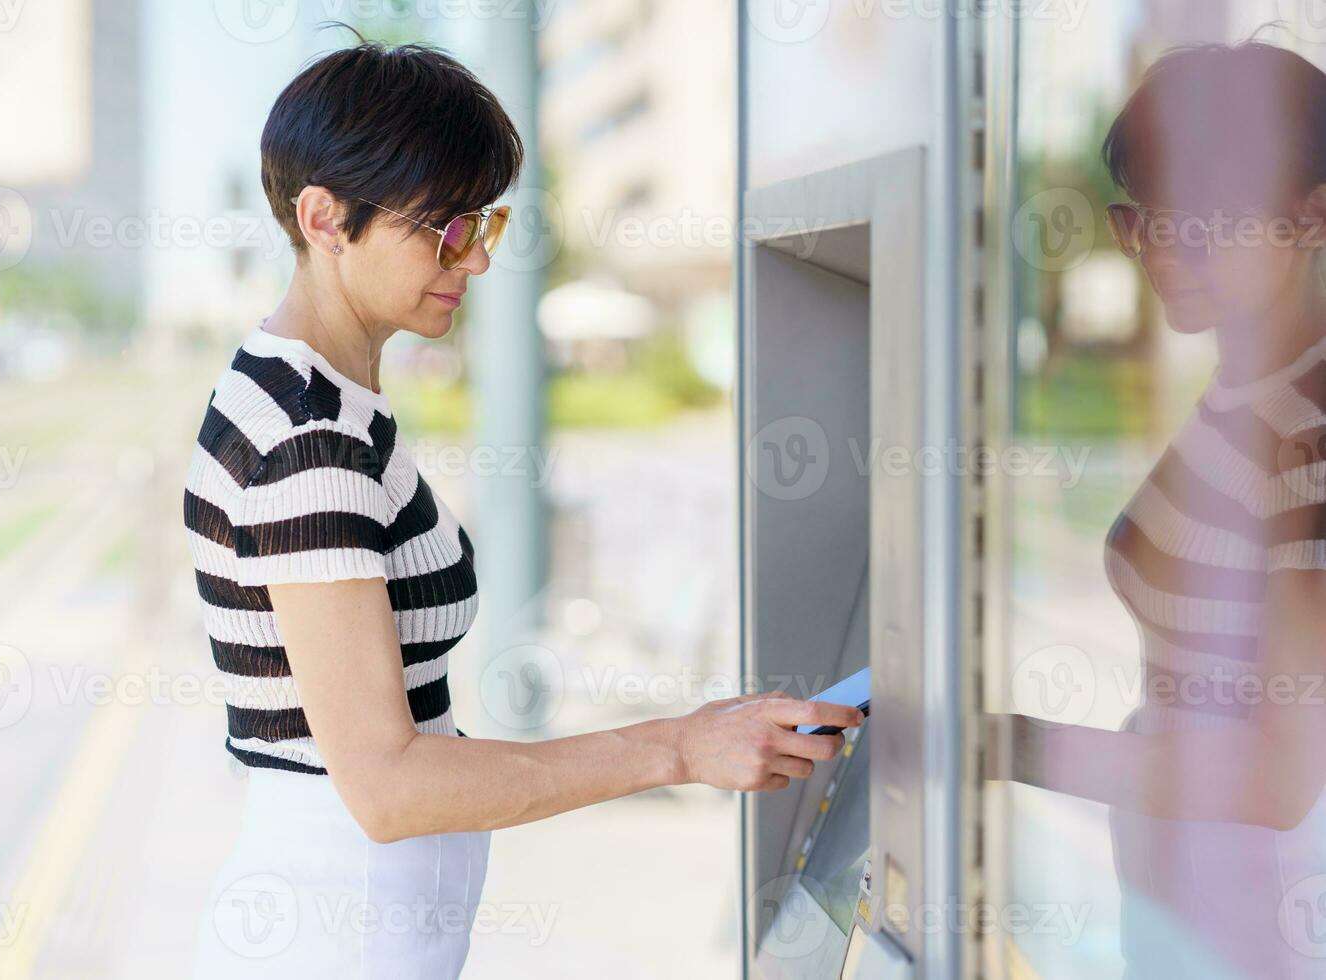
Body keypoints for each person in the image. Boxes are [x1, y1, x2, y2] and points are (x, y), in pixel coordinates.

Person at [180, 30, 863, 978]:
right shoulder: (307, 442)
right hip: (335, 939)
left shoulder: (312, 397)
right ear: (325, 217)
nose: (474, 260)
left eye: (482, 226)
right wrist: (680, 748)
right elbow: (387, 784)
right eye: (443, 231)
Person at [1002, 39, 1326, 978]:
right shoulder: (1247, 391)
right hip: (1189, 898)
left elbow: (1280, 776)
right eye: (1144, 215)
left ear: (1313, 217)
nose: (1164, 248)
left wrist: (993, 742)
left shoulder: (1309, 432)